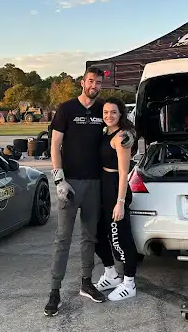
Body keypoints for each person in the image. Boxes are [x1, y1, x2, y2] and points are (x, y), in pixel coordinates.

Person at [44, 67, 135, 316]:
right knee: (63, 239)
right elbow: (55, 145)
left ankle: (87, 282)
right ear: (82, 82)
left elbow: (123, 128)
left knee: (90, 237)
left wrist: (130, 137)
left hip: (95, 183)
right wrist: (59, 179)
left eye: (99, 83)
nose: (94, 85)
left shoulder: (103, 109)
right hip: (70, 183)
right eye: (91, 81)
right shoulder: (66, 109)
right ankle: (54, 292)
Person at [93, 98, 139, 301]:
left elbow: (123, 173)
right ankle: (111, 275)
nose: (109, 116)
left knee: (120, 238)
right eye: (105, 112)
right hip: (102, 188)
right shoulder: (106, 133)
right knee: (98, 235)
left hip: (115, 190)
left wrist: (120, 202)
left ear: (121, 114)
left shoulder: (122, 137)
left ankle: (129, 283)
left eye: (113, 112)